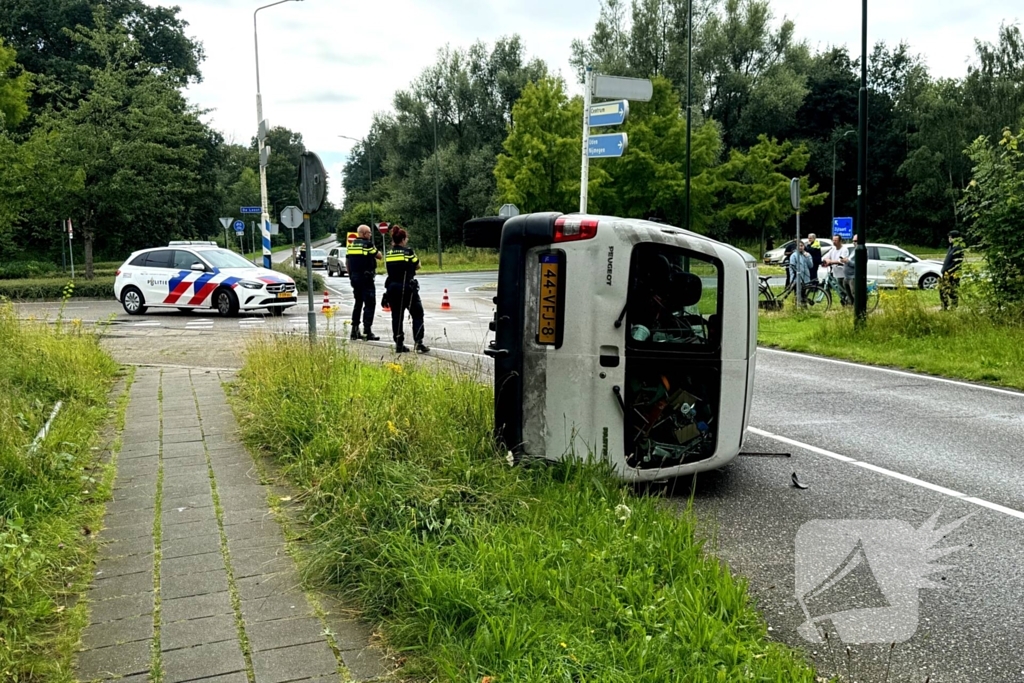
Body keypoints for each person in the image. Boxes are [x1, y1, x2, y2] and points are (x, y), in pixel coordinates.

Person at [384, 227, 429, 354]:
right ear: (403, 239)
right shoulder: (408, 252)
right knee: (417, 313)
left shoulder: (389, 254)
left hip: (392, 287)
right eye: (406, 238)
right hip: (407, 288)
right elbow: (418, 265)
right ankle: (418, 342)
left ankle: (399, 344)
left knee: (397, 316)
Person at [346, 225, 383, 340]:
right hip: (366, 278)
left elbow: (347, 262)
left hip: (355, 278)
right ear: (363, 233)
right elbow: (379, 256)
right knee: (370, 303)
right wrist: (373, 246)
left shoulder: (351, 246)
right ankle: (367, 330)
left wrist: (351, 275)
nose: (370, 235)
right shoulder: (367, 245)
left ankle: (354, 330)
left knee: (358, 303)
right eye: (369, 233)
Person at [822, 235, 851, 304]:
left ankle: (849, 301)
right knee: (840, 290)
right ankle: (844, 302)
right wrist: (826, 260)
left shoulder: (844, 249)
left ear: (840, 241)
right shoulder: (833, 249)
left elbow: (842, 260)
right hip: (836, 273)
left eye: (836, 240)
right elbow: (824, 257)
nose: (834, 242)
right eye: (833, 240)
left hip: (843, 273)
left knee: (845, 289)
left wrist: (831, 261)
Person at [940, 230, 964, 310]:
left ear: (955, 238)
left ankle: (953, 307)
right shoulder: (951, 247)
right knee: (942, 290)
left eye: (950, 237)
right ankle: (944, 306)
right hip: (946, 273)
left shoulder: (957, 249)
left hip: (952, 274)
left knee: (952, 291)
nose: (949, 239)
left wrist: (949, 271)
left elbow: (957, 263)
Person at [842, 235, 858, 303]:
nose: (853, 242)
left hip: (853, 277)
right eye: (853, 241)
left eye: (855, 241)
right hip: (847, 277)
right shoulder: (854, 250)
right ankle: (851, 306)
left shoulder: (861, 251)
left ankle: (858, 308)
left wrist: (847, 261)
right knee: (849, 295)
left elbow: (858, 264)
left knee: (854, 294)